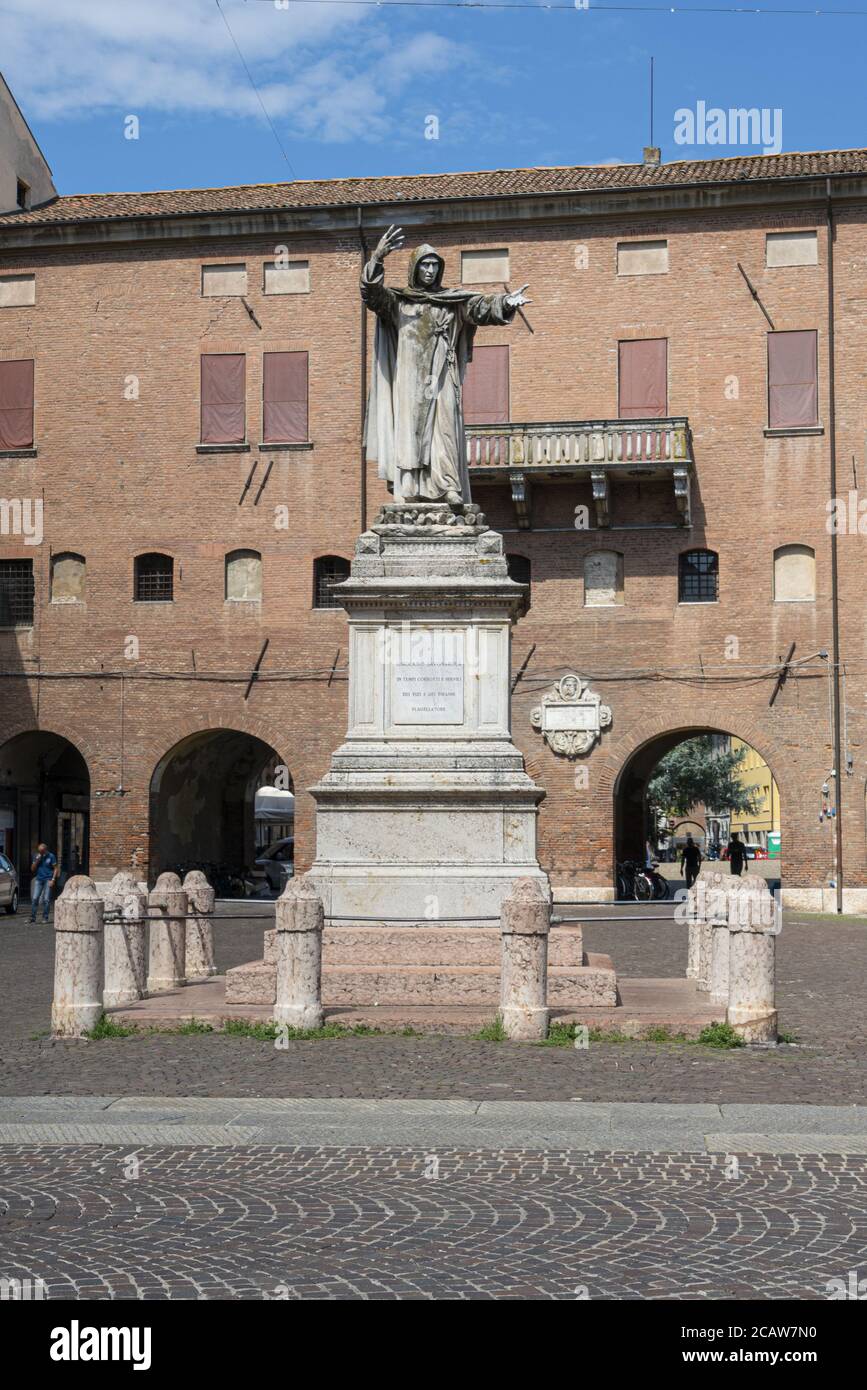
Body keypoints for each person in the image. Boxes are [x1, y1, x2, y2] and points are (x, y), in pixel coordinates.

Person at [361, 225, 531, 504]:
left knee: (446, 429)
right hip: (410, 377)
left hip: (443, 375)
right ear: (415, 269)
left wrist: (506, 302)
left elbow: (480, 307)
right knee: (411, 431)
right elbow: (371, 295)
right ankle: (412, 488)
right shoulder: (399, 303)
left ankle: (448, 485)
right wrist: (377, 258)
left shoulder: (451, 302)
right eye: (424, 265)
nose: (429, 270)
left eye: (434, 266)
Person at [29, 842, 58, 923]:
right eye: (39, 851)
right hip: (39, 879)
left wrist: (53, 879)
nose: (41, 853)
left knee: (46, 899)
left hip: (48, 879)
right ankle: (33, 917)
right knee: (35, 898)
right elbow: (32, 869)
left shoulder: (51, 856)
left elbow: (55, 868)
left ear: (45, 850)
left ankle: (45, 917)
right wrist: (37, 860)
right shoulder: (37, 856)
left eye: (42, 851)